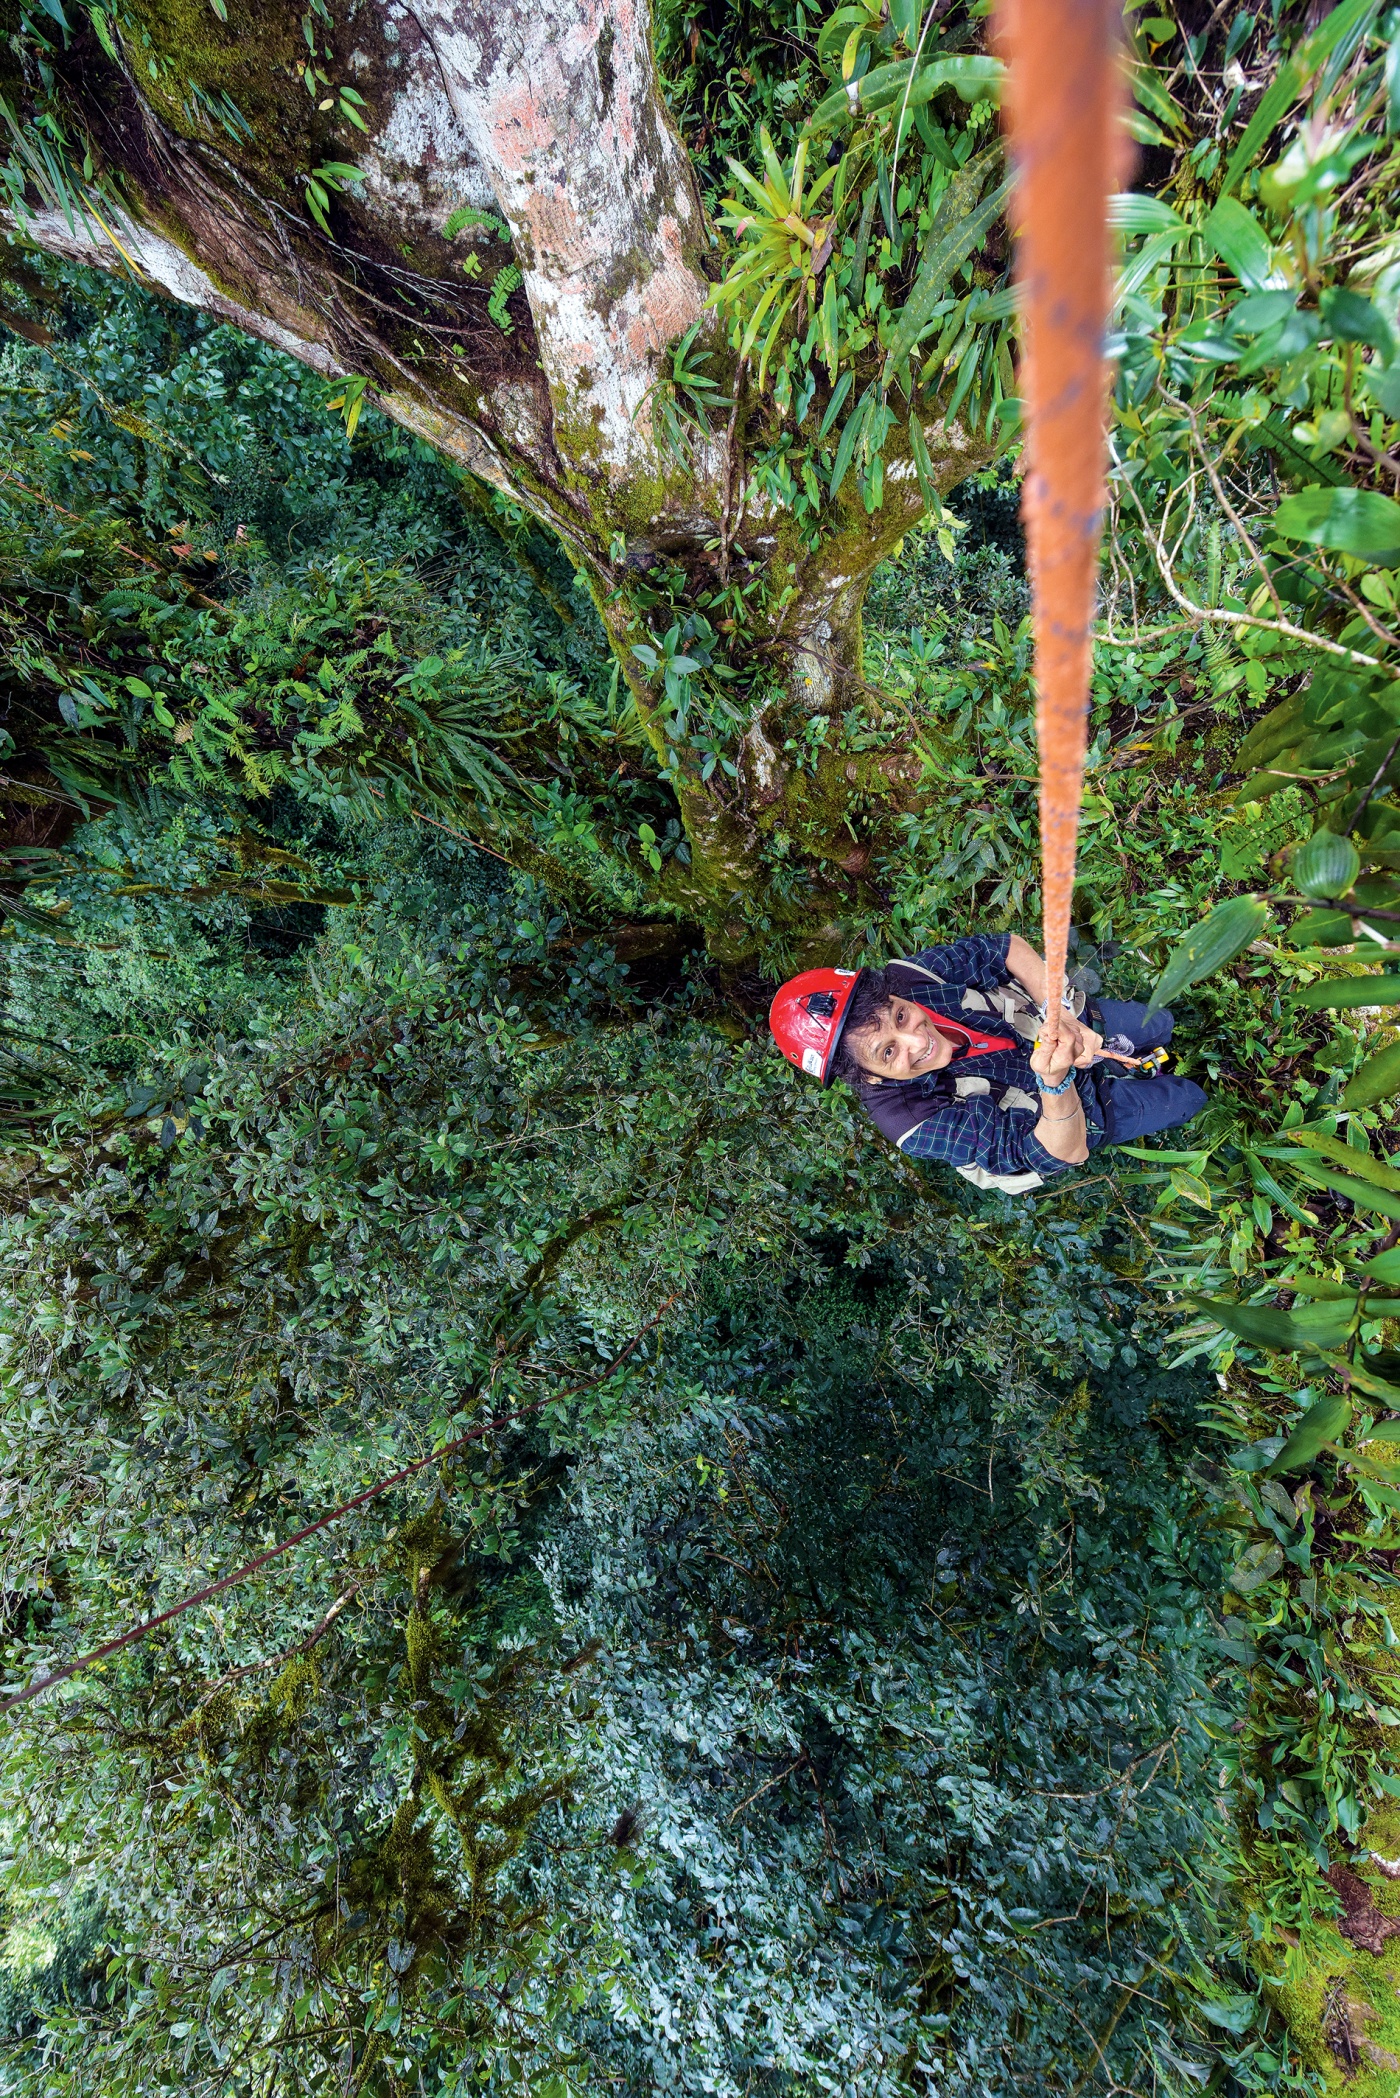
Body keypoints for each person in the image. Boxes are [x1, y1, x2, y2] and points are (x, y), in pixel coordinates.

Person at [768, 931, 1206, 1195]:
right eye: (888, 1052)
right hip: (1079, 1114)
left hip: (1069, 1023)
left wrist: (1064, 1016)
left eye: (899, 1016)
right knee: (1186, 1098)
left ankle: (1181, 1040)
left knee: (1161, 1021)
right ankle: (1192, 1079)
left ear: (891, 994)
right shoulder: (912, 1121)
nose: (916, 1039)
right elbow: (1062, 1152)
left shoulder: (910, 979)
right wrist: (1055, 1083)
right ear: (865, 1075)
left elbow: (1004, 949)